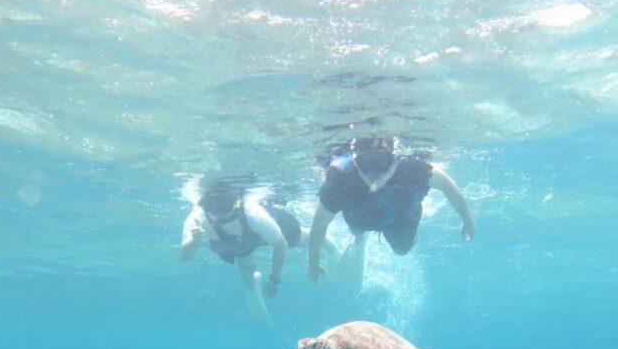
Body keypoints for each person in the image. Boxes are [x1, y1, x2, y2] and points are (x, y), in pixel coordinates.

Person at [307, 136, 476, 285]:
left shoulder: (413, 168)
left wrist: (468, 219)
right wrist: (313, 262)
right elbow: (319, 226)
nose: (375, 172)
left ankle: (359, 235)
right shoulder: (339, 180)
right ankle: (359, 238)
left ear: (396, 159)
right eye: (367, 164)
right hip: (360, 214)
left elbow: (447, 185)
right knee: (357, 224)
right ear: (355, 161)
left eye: (383, 163)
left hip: (403, 215)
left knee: (402, 250)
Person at [181, 186, 338, 320]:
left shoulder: (253, 214)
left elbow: (280, 244)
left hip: (261, 226)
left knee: (300, 239)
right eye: (215, 210)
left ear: (235, 205)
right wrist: (193, 243)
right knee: (244, 260)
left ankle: (325, 241)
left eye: (226, 209)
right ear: (205, 207)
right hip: (237, 240)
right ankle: (252, 288)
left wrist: (274, 279)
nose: (221, 215)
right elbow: (185, 257)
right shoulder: (197, 219)